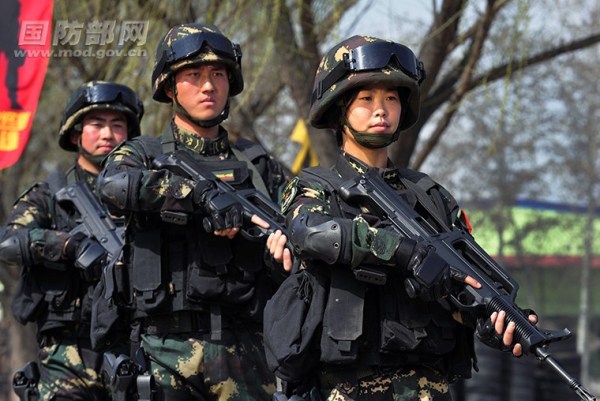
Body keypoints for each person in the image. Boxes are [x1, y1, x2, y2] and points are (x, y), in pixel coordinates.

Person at [264, 36, 537, 401]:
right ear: (338, 109)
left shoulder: (430, 196)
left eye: (391, 98)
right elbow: (310, 233)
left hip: (430, 387)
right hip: (349, 387)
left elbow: (465, 278)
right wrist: (400, 250)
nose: (382, 109)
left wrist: (493, 321)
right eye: (367, 99)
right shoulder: (317, 186)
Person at [96, 22, 287, 401]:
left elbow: (296, 222)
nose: (208, 86)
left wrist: (280, 245)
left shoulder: (256, 164)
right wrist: (197, 197)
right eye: (194, 75)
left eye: (218, 74)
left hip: (246, 349)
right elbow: (113, 186)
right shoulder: (144, 155)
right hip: (164, 349)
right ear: (169, 87)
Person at [0, 80, 144, 401]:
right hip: (68, 352)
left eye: (117, 125)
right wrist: (67, 245)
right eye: (97, 124)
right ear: (76, 134)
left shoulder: (143, 197)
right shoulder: (50, 195)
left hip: (132, 347)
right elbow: (9, 242)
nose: (107, 134)